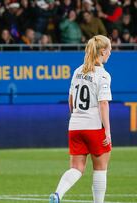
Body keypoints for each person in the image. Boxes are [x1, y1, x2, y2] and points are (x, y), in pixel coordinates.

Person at [49, 35, 112, 203]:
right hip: (94, 126)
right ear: (103, 51)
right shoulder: (103, 75)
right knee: (100, 169)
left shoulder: (78, 71)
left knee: (76, 168)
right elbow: (103, 103)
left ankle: (57, 194)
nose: (110, 54)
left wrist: (76, 117)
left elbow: (71, 100)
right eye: (110, 50)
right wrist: (107, 131)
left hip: (75, 125)